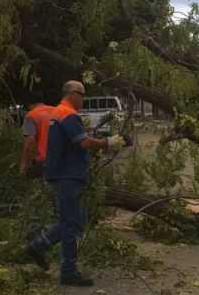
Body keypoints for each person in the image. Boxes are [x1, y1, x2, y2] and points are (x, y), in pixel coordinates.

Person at [24, 80, 125, 287]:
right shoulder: (67, 114)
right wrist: (109, 143)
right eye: (83, 94)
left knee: (75, 221)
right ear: (72, 93)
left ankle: (38, 246)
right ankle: (68, 271)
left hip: (63, 173)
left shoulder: (58, 113)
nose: (84, 99)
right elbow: (84, 142)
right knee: (71, 223)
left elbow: (77, 140)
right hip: (68, 175)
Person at [19, 94, 57, 177]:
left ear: (30, 105)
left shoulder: (31, 115)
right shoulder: (58, 111)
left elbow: (30, 141)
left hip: (44, 161)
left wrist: (24, 165)